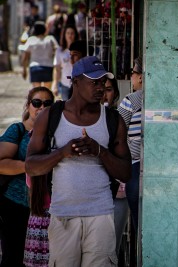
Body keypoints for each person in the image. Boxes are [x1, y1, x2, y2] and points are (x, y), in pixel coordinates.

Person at [25, 56, 132, 266]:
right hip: (63, 214)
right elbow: (31, 166)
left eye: (103, 82)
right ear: (75, 82)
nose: (100, 87)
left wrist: (100, 151)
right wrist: (62, 153)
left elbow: (126, 173)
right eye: (94, 82)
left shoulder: (112, 119)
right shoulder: (50, 116)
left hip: (101, 214)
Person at [0, 86, 54, 267]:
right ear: (28, 105)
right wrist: (33, 167)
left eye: (47, 104)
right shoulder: (18, 130)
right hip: (15, 205)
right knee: (13, 257)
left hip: (48, 210)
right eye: (37, 103)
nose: (41, 107)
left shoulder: (56, 133)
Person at [117, 56, 143, 264]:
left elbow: (118, 134)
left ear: (141, 77)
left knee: (139, 224)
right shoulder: (167, 99)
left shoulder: (131, 101)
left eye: (133, 73)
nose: (131, 77)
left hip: (135, 168)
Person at [101, 77, 129, 259]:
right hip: (89, 197)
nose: (103, 93)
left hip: (118, 194)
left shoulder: (117, 121)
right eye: (98, 87)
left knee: (110, 250)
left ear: (116, 94)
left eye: (108, 89)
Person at [21, 21, 59, 89]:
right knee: (47, 91)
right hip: (48, 67)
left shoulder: (31, 40)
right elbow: (57, 50)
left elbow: (25, 56)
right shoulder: (50, 39)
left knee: (36, 91)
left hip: (34, 67)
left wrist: (24, 70)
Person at [52, 24, 79, 100]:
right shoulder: (60, 50)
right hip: (64, 83)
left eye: (72, 33)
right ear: (64, 35)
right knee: (66, 106)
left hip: (77, 84)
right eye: (68, 33)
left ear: (75, 35)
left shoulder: (80, 50)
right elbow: (57, 69)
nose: (70, 35)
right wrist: (55, 85)